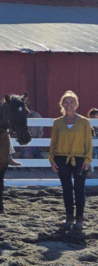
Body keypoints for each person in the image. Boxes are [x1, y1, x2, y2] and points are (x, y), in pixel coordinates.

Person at [49, 91, 92, 229]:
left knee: (79, 189)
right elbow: (53, 142)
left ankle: (79, 217)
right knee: (66, 188)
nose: (69, 105)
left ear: (76, 104)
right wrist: (52, 159)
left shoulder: (85, 122)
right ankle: (69, 217)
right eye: (66, 102)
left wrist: (87, 160)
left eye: (71, 102)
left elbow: (88, 143)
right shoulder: (57, 122)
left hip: (79, 159)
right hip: (61, 159)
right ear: (62, 104)